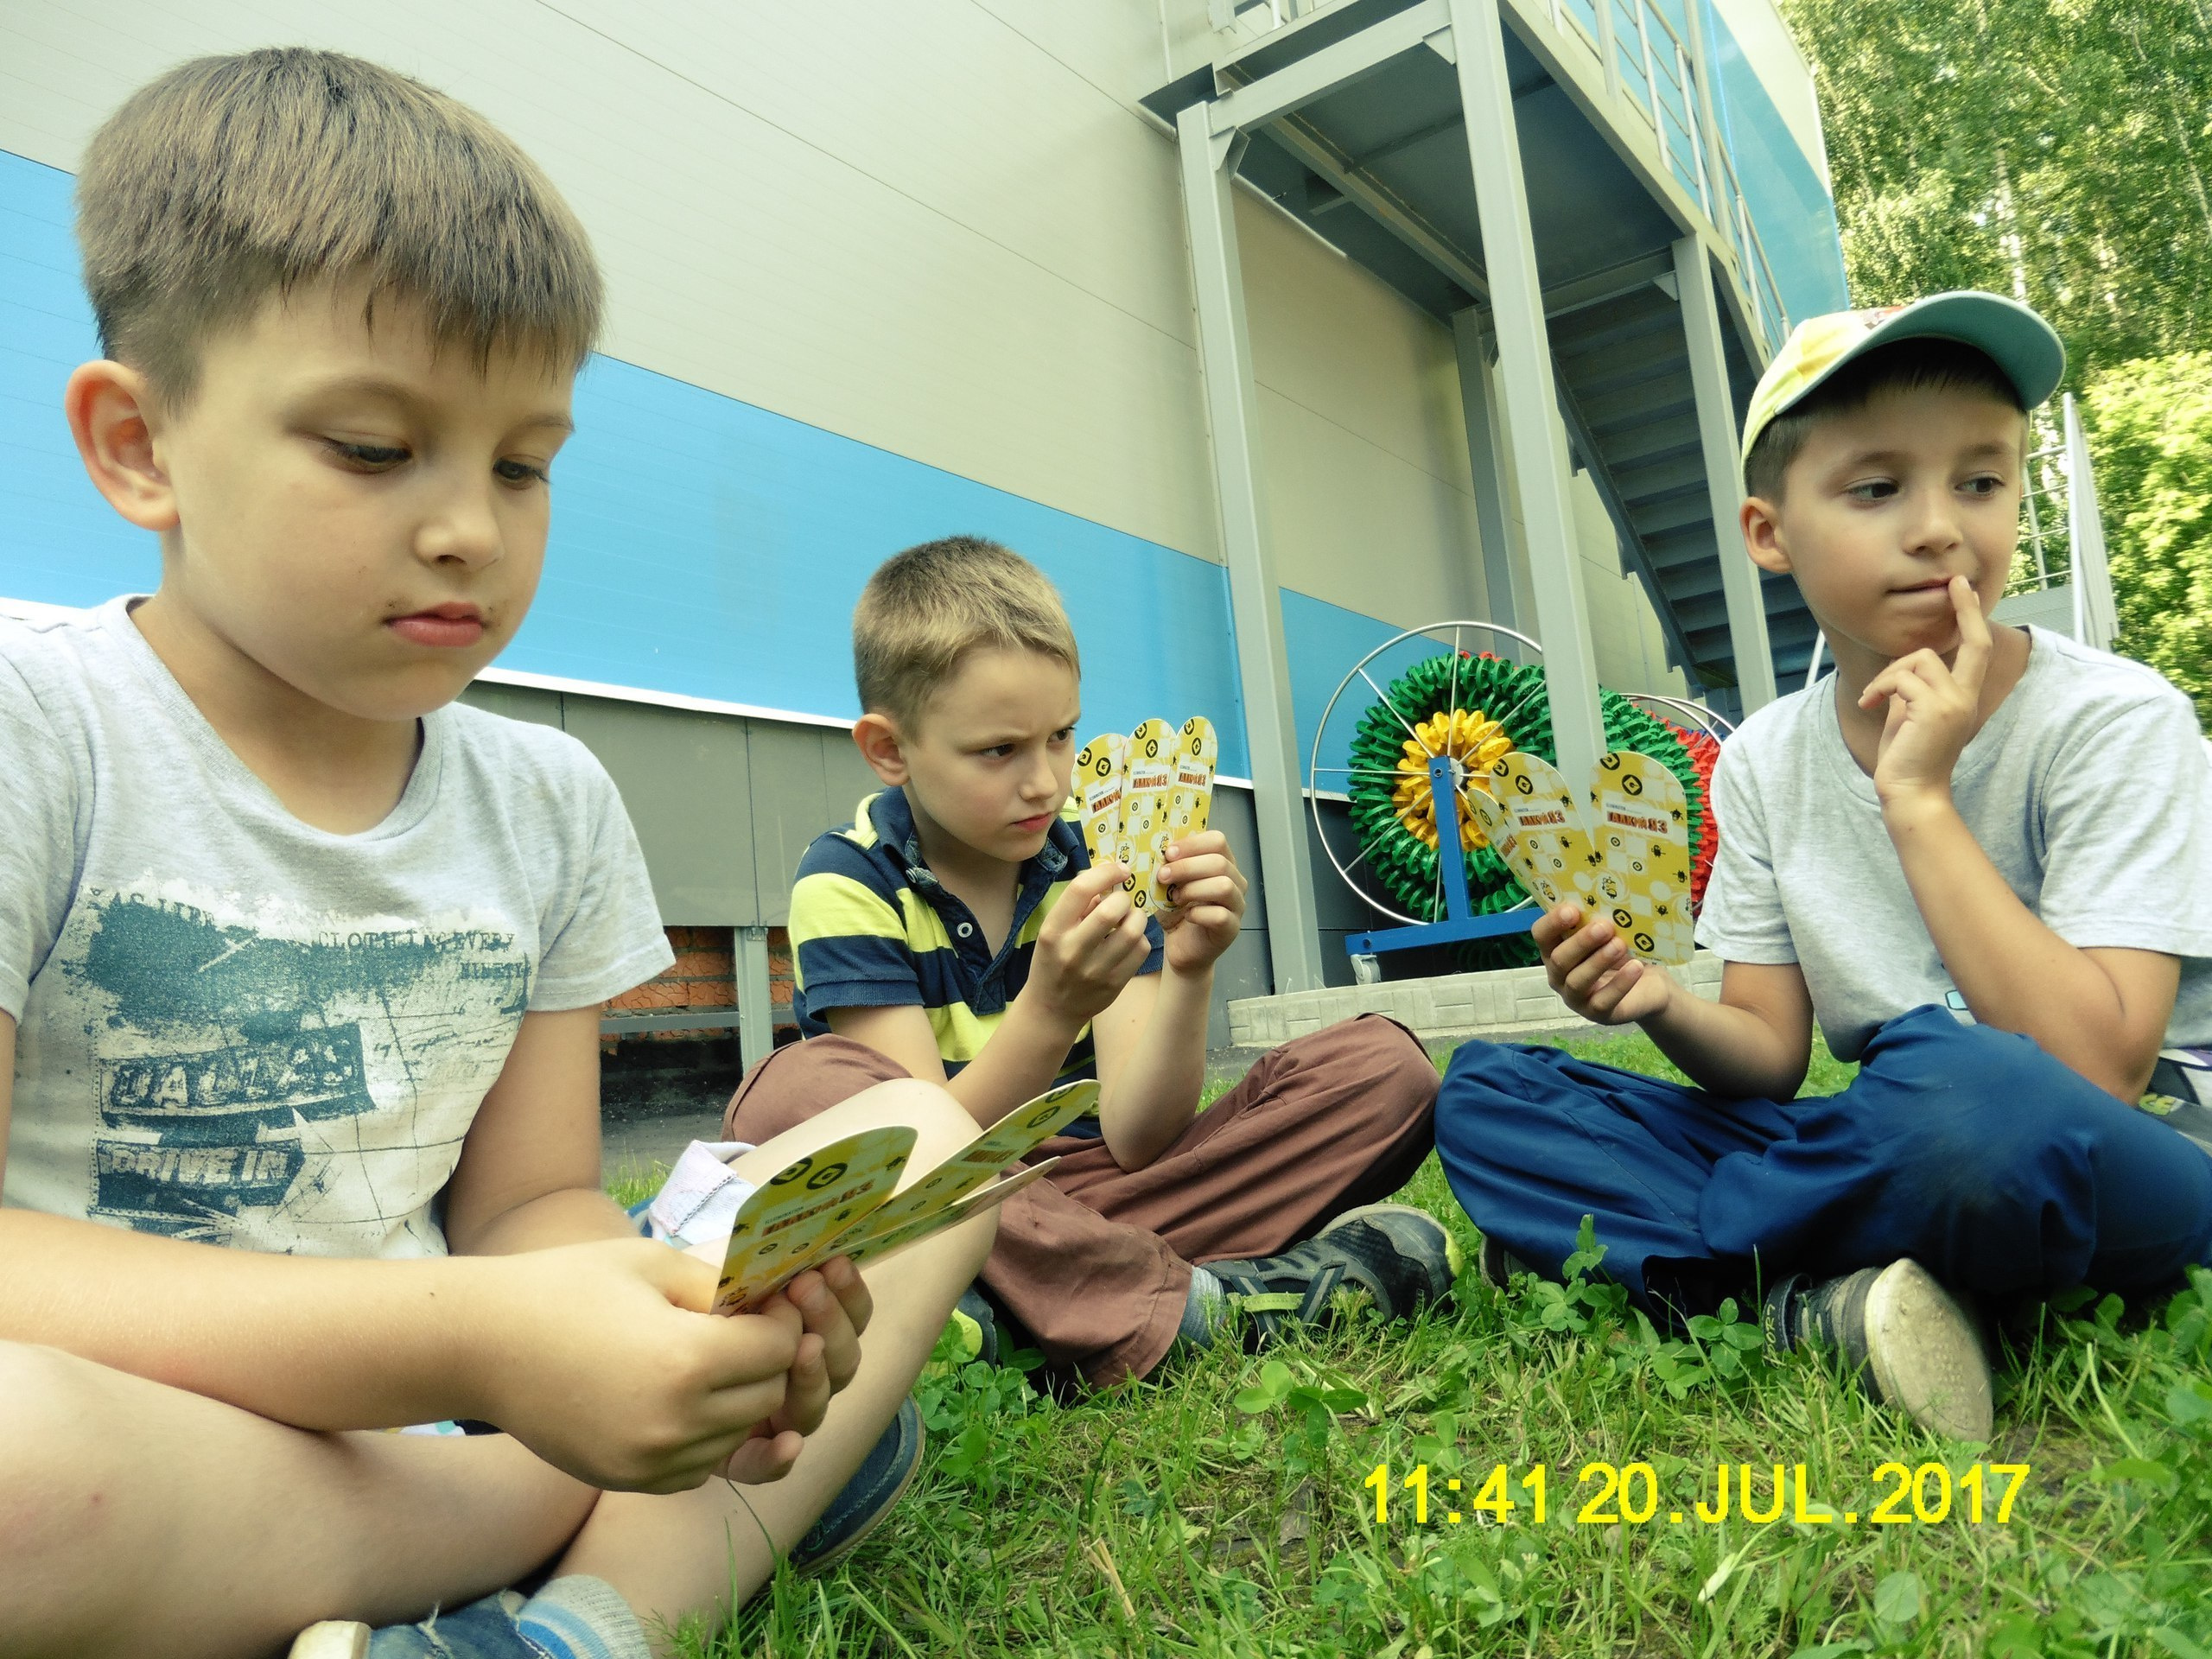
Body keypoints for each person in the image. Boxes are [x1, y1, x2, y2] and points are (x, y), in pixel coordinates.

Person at [0, 49, 994, 1659]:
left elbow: (531, 1204)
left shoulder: (543, 797)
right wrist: (490, 1355)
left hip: (465, 1421)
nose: (472, 526)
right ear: (140, 447)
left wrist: (674, 1321)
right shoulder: (37, 726)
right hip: (162, 1431)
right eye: (376, 451)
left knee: (926, 1141)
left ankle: (577, 1624)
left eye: (524, 463)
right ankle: (607, 1516)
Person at [1434, 293, 2212, 1440]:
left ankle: (1718, 1269)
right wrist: (1655, 1003)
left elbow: (2097, 1065)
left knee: (1963, 1089)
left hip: (2127, 1142)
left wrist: (1919, 799)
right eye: (1878, 487)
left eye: (1982, 481)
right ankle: (1842, 1297)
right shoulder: (1761, 758)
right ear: (1769, 533)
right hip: (1900, 1139)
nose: (1941, 527)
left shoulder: (2116, 719)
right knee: (1491, 1097)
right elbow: (1765, 1057)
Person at [729, 536, 1452, 1388]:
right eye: (998, 751)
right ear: (889, 751)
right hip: (956, 1200)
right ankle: (1197, 1306)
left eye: (1062, 736)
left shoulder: (1095, 861)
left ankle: (1018, 1313)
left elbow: (1140, 1139)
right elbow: (924, 1160)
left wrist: (1186, 971)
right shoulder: (848, 881)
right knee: (791, 1094)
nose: (1045, 782)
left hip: (1093, 1198)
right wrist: (1049, 1010)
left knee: (1383, 1070)